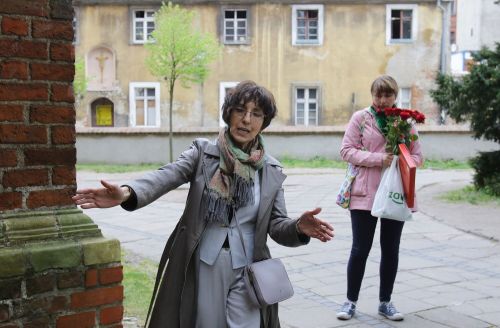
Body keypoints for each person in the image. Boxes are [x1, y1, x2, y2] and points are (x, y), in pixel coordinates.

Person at [73, 80, 334, 328]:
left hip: (249, 267)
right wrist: (128, 193)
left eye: (256, 114)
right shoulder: (203, 154)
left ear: (264, 122)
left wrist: (299, 227)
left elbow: (277, 225)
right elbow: (166, 175)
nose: (246, 119)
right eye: (240, 110)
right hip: (206, 262)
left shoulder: (271, 170)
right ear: (228, 114)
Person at [336, 75, 423, 321]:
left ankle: (386, 302)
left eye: (388, 95)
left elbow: (418, 156)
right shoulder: (361, 118)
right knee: (360, 249)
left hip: (395, 194)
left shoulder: (405, 121)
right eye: (378, 95)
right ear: (372, 95)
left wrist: (400, 161)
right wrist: (378, 159)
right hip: (365, 193)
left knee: (391, 249)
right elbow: (346, 150)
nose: (383, 100)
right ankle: (350, 302)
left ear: (395, 96)